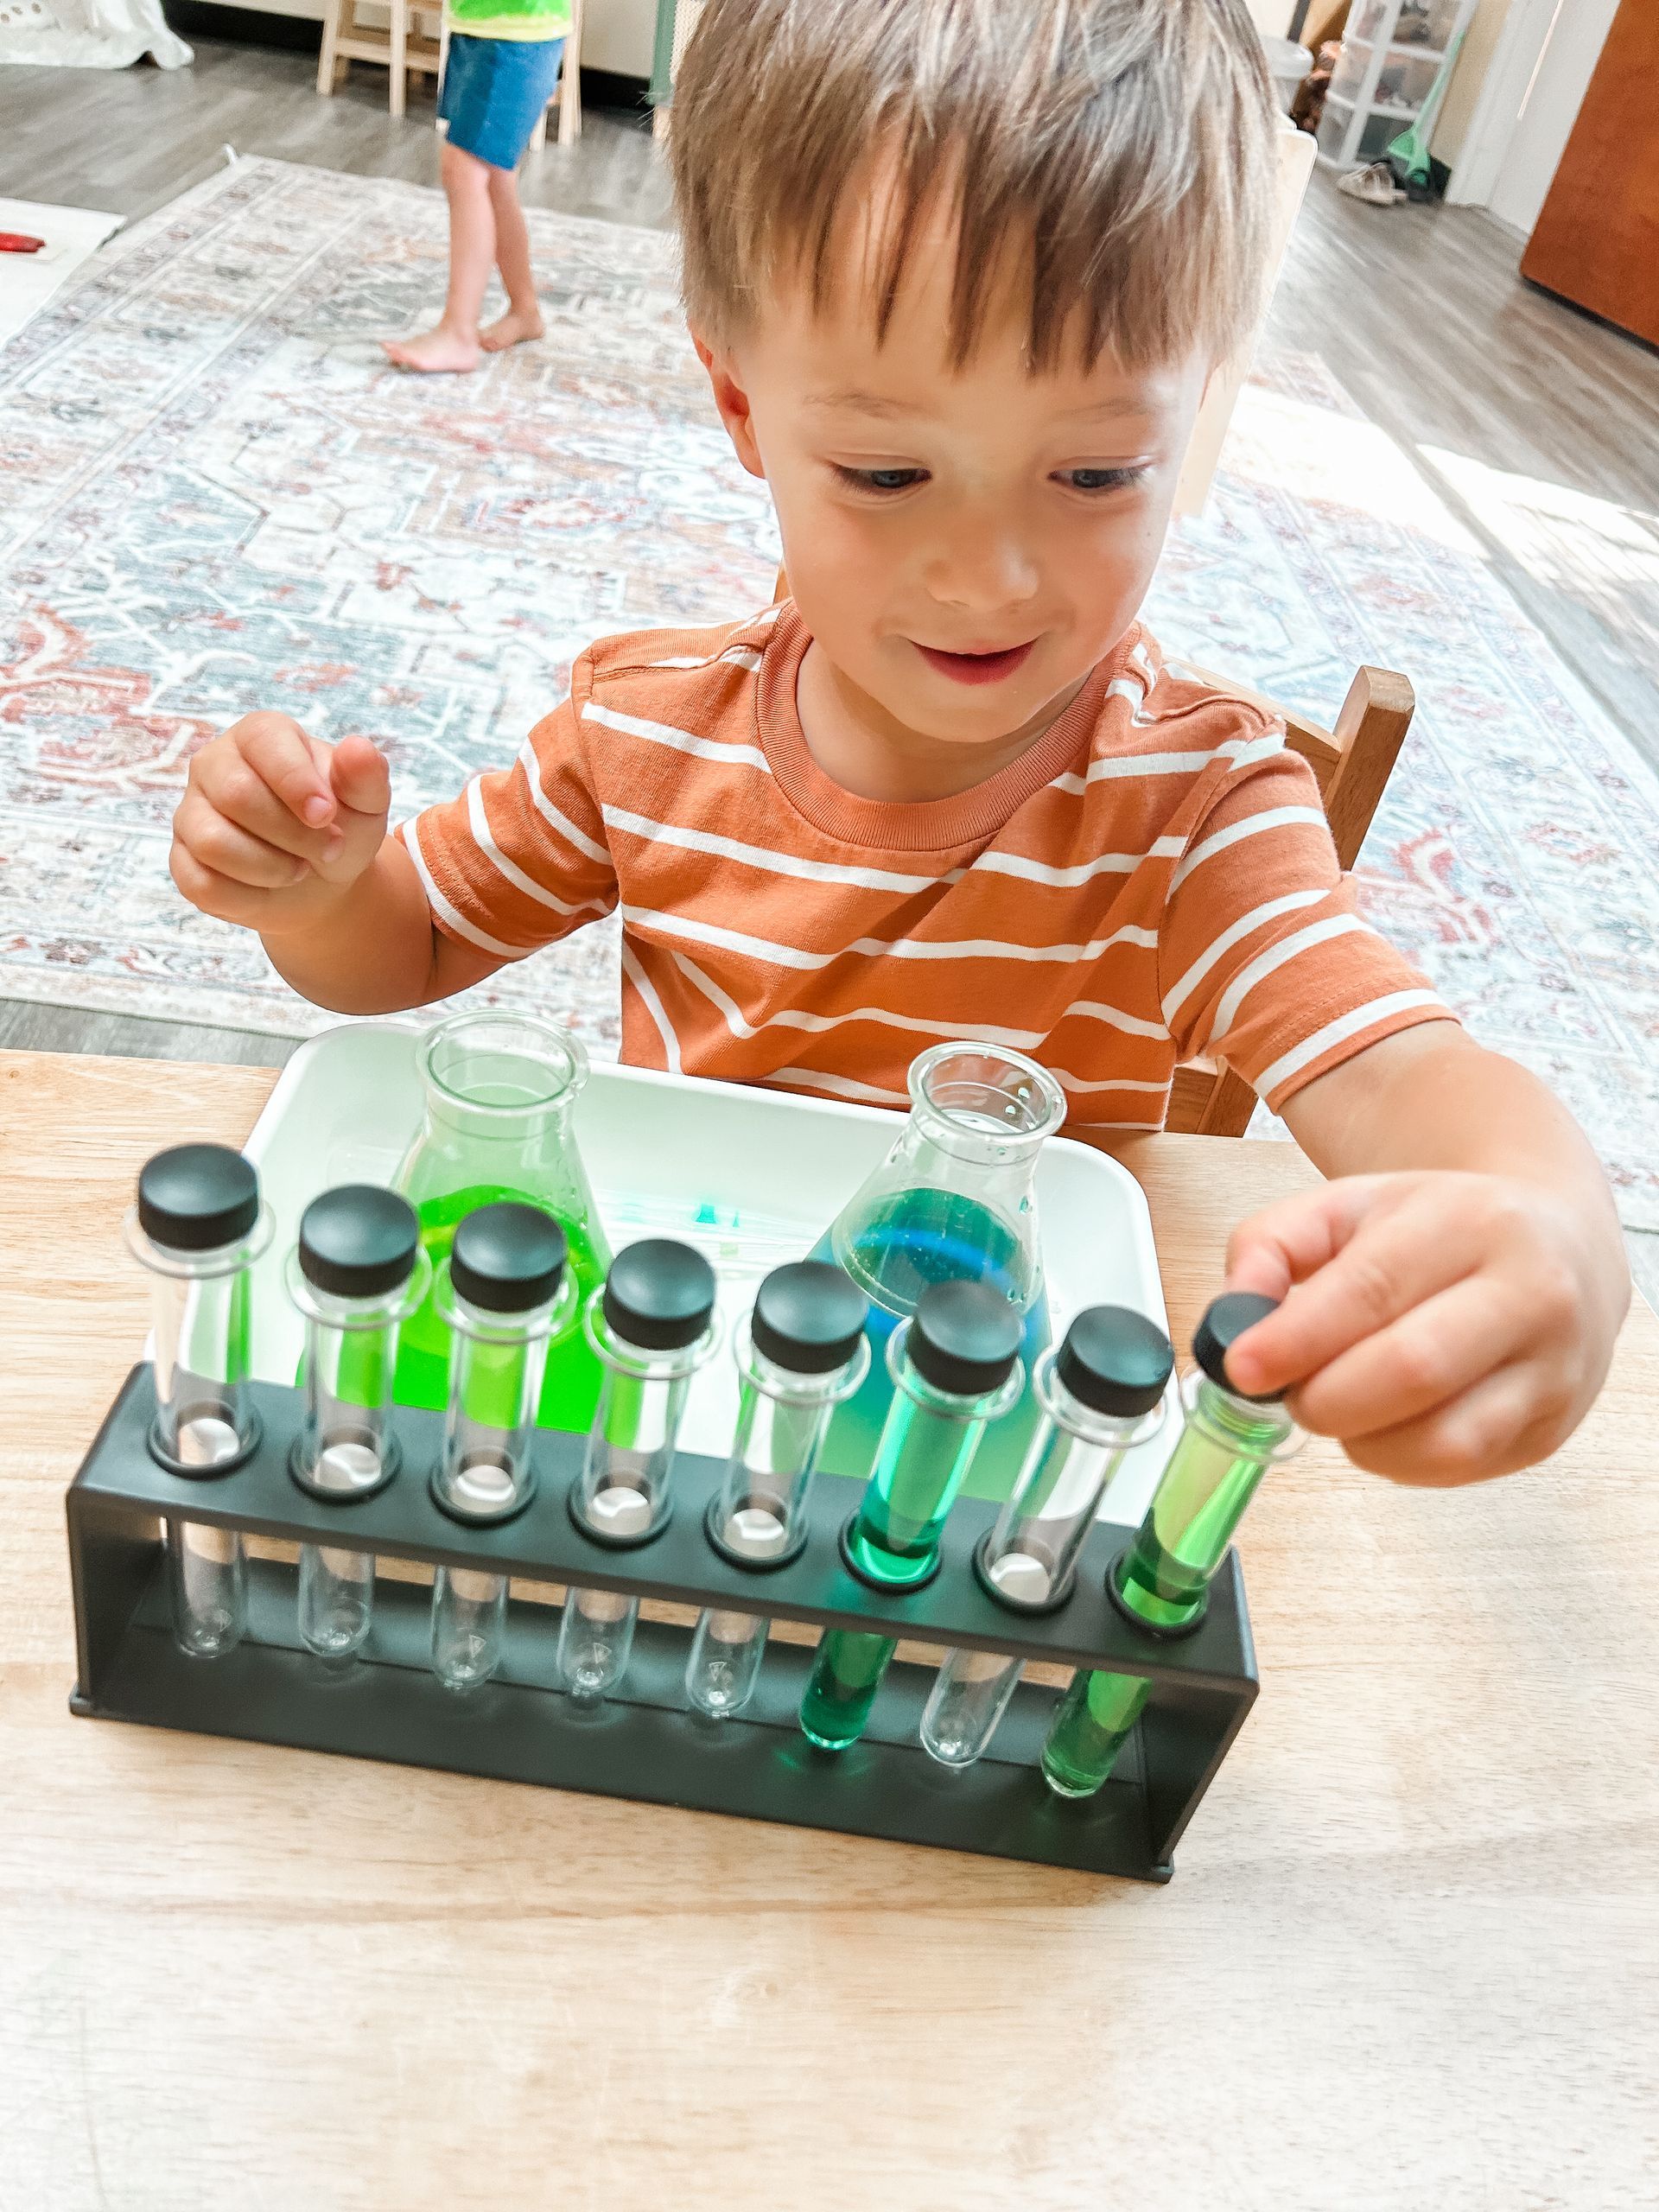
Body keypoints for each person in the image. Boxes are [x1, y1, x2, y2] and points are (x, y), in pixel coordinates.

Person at [171, 0, 1629, 1483]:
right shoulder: (643, 728)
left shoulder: (1197, 807)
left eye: (1095, 469)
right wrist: (315, 893)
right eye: (886, 468)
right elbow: (397, 957)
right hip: (660, 1412)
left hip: (962, 1450)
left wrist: (1551, 1229)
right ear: (740, 399)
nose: (990, 576)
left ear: (1195, 421)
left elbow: (1401, 1079)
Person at [384, 0, 570, 372]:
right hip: (483, 30)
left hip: (515, 39)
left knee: (464, 169)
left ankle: (458, 333)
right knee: (494, 179)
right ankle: (525, 311)